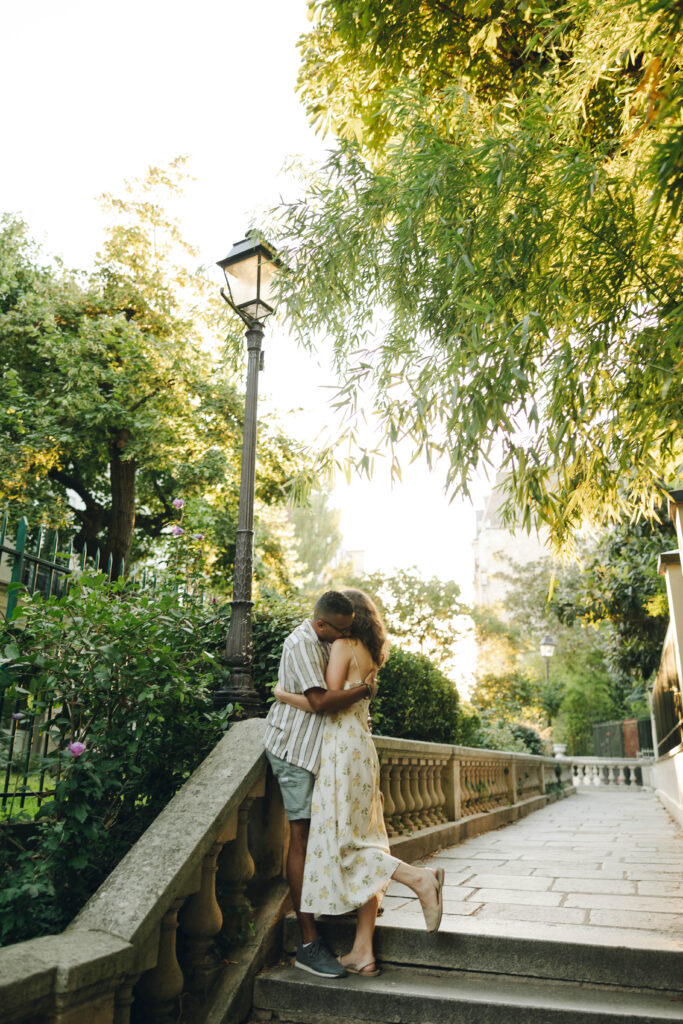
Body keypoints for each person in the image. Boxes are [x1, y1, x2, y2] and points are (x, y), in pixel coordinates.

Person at [273, 587, 444, 978]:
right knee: (369, 838)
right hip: (362, 749)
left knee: (346, 844)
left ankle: (421, 879)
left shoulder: (342, 646)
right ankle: (362, 951)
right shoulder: (370, 651)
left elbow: (326, 700)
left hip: (340, 752)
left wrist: (283, 694)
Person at [264, 591, 379, 980]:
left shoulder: (331, 641)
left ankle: (329, 920)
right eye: (340, 630)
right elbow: (320, 702)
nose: (345, 635)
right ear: (320, 624)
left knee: (327, 835)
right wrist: (364, 690)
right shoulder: (299, 642)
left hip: (323, 753)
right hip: (295, 752)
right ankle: (309, 943)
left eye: (349, 628)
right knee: (302, 835)